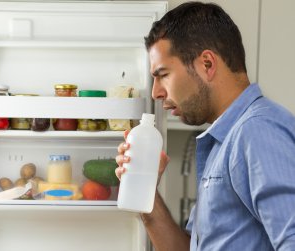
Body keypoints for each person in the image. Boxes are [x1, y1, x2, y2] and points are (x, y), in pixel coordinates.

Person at [115, 2, 295, 251]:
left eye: (163, 74)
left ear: (207, 64)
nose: (156, 92)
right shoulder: (225, 140)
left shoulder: (257, 131)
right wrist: (146, 194)